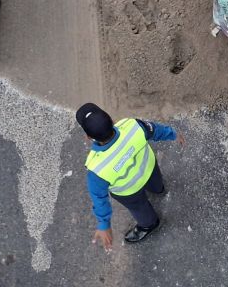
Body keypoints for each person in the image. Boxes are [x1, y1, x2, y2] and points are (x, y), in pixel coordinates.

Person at [78, 103, 182, 249]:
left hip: (129, 192)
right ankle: (159, 190)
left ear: (88, 137)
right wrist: (173, 134)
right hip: (149, 168)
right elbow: (155, 130)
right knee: (156, 184)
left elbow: (99, 199)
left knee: (139, 207)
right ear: (112, 120)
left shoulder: (96, 168)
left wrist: (104, 225)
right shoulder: (132, 126)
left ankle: (149, 224)